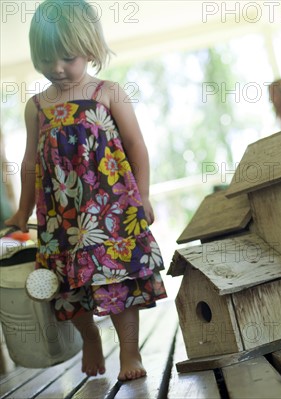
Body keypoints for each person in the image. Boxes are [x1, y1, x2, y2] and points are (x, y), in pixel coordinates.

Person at [5, 0, 167, 381]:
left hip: (111, 210)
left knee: (117, 280)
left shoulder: (107, 93)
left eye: (67, 57)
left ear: (91, 48)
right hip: (61, 216)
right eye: (46, 58)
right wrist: (21, 210)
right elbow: (30, 162)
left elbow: (136, 146)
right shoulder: (37, 107)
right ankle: (90, 336)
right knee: (60, 284)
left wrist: (142, 195)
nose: (56, 68)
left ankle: (129, 351)